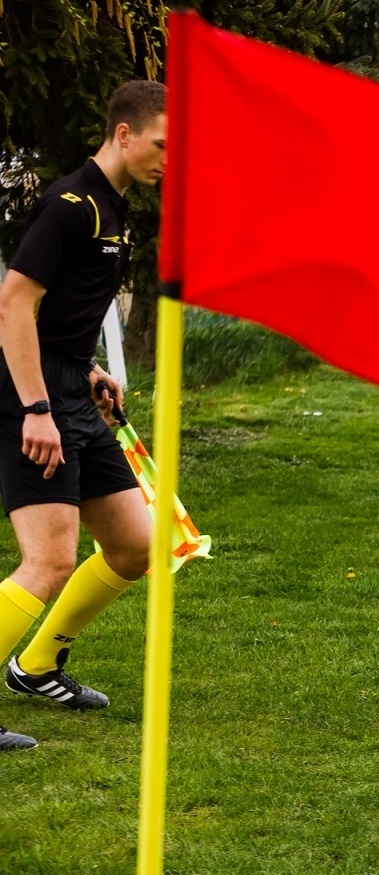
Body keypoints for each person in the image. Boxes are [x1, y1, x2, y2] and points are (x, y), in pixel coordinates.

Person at [0, 80, 165, 750]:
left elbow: (63, 313)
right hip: (30, 397)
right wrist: (36, 408)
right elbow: (13, 305)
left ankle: (37, 667)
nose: (169, 161)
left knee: (135, 545)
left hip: (69, 386)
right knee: (48, 560)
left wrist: (87, 369)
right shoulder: (70, 205)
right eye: (161, 145)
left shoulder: (113, 207)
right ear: (124, 134)